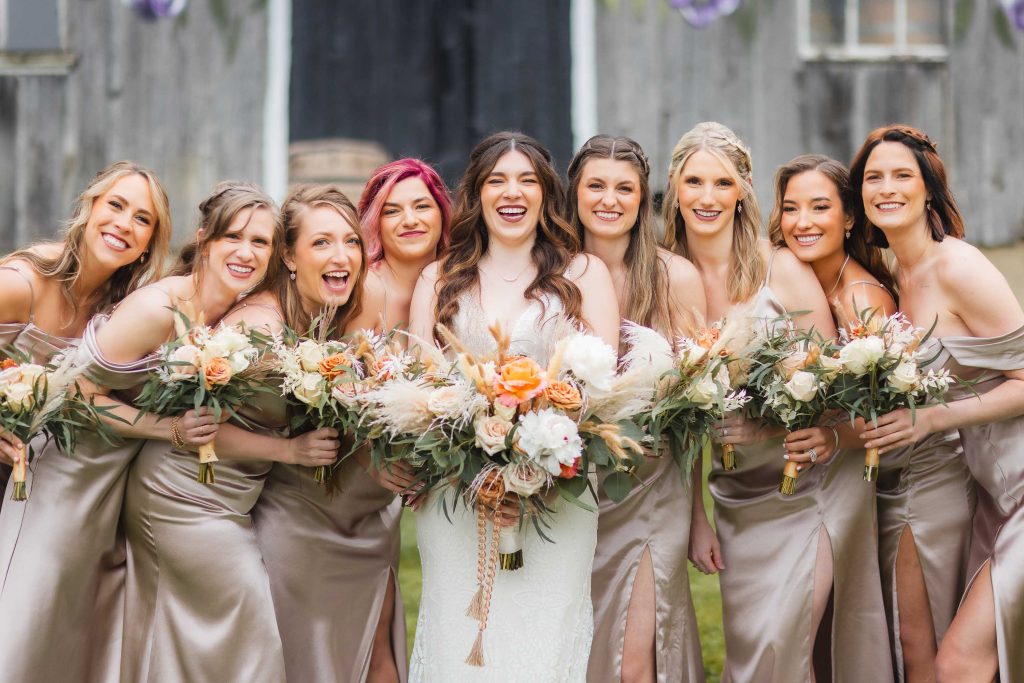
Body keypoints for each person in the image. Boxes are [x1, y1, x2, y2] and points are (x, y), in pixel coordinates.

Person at [665, 122, 888, 681]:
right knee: (759, 650)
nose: (708, 197)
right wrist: (697, 517)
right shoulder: (665, 276)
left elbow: (836, 381)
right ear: (675, 189)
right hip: (736, 496)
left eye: (722, 182)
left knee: (782, 649)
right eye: (694, 181)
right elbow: (677, 416)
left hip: (812, 481)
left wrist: (767, 429)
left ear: (742, 189)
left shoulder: (780, 267)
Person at [407, 131, 619, 682]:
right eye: (497, 180)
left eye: (527, 180)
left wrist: (534, 474)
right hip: (457, 499)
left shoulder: (583, 275)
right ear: (476, 194)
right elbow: (420, 390)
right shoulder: (439, 279)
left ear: (547, 195)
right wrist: (477, 469)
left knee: (543, 644)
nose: (512, 192)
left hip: (559, 496)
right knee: (461, 641)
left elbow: (603, 388)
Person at [97, 182, 288, 682]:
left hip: (136, 466)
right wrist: (169, 430)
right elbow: (78, 394)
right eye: (233, 237)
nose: (246, 252)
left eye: (261, 242)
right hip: (86, 461)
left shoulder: (232, 309)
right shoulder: (159, 308)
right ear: (204, 238)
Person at [854, 124, 1024, 682]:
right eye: (874, 177)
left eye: (903, 175)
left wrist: (932, 419)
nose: (887, 188)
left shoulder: (958, 267)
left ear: (930, 189)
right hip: (992, 491)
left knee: (959, 663)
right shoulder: (896, 275)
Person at [0, 161, 171, 683]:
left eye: (142, 220)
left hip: (41, 481)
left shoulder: (126, 309)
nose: (124, 223)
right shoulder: (22, 282)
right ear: (88, 209)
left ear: (148, 244)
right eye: (115, 205)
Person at [252, 184, 410, 683]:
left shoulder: (366, 300)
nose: (341, 256)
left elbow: (368, 405)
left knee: (378, 655)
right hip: (296, 509)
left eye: (350, 241)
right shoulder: (262, 323)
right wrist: (286, 449)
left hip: (365, 509)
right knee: (306, 654)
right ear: (288, 256)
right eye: (321, 242)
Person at [567, 134, 707, 683]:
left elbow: (698, 405)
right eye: (596, 185)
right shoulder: (554, 276)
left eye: (625, 188)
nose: (609, 199)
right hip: (571, 488)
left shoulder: (676, 277)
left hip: (654, 490)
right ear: (574, 193)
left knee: (636, 659)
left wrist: (698, 514)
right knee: (581, 646)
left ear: (643, 198)